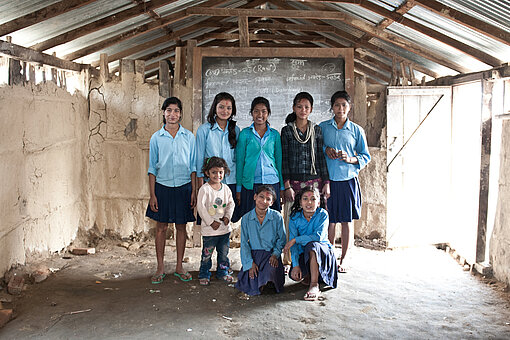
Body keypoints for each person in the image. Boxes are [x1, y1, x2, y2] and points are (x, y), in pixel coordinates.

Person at [319, 91, 371, 273]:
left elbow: (366, 156)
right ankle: (330, 254)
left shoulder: (356, 130)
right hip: (328, 181)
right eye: (337, 105)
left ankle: (345, 257)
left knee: (346, 221)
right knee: (330, 220)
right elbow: (318, 147)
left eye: (344, 105)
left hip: (348, 180)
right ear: (332, 107)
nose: (340, 109)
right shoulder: (323, 127)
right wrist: (326, 150)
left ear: (349, 107)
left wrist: (351, 159)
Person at [146, 97, 196, 284]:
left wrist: (193, 191)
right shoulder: (156, 138)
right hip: (163, 187)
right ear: (164, 113)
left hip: (184, 187)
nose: (172, 114)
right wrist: (153, 194)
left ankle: (179, 267)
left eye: (176, 111)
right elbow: (152, 169)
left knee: (181, 227)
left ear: (181, 113)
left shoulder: (189, 137)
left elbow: (193, 167)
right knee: (161, 227)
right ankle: (160, 267)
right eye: (169, 110)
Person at [281, 92, 330, 274]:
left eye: (306, 107)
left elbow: (320, 157)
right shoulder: (286, 130)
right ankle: (290, 260)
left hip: (314, 183)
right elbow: (284, 160)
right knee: (291, 220)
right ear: (294, 108)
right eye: (299, 107)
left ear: (311, 110)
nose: (303, 110)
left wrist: (326, 182)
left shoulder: (316, 130)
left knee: (314, 219)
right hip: (293, 183)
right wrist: (286, 185)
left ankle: (315, 259)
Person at [283, 186, 337, 301]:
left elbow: (317, 237)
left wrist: (295, 239)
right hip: (305, 254)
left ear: (318, 202)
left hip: (322, 254)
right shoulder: (294, 217)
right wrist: (296, 265)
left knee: (313, 246)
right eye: (305, 199)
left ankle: (314, 285)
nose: (309, 202)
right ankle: (308, 274)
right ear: (300, 202)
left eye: (313, 199)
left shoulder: (322, 214)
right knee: (296, 276)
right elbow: (294, 245)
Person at [195, 92, 241, 223]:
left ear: (232, 110)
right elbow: (199, 159)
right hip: (210, 182)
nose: (224, 111)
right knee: (210, 219)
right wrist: (200, 185)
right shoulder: (204, 130)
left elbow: (237, 159)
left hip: (230, 182)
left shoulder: (235, 130)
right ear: (215, 107)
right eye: (221, 107)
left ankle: (225, 243)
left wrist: (238, 187)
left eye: (228, 108)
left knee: (226, 219)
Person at [236, 97, 284, 216]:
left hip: (272, 182)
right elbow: (240, 162)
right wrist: (238, 188)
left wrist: (282, 186)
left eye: (263, 111)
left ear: (268, 113)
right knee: (251, 218)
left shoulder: (274, 135)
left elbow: (279, 161)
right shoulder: (245, 134)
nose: (260, 114)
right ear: (251, 113)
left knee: (272, 219)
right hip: (251, 184)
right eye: (256, 111)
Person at [236, 185, 286, 296]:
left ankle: (269, 282)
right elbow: (244, 243)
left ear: (272, 202)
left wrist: (275, 254)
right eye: (261, 197)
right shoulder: (246, 218)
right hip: (254, 256)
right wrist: (249, 263)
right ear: (255, 197)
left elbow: (282, 239)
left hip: (270, 255)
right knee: (251, 278)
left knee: (270, 274)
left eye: (268, 199)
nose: (264, 201)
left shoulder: (277, 217)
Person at [196, 157, 235, 285]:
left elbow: (231, 204)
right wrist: (210, 222)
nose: (217, 175)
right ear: (207, 173)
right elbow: (201, 208)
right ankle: (204, 274)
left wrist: (227, 217)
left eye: (220, 172)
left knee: (223, 254)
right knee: (207, 255)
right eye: (214, 172)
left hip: (224, 230)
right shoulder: (204, 189)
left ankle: (222, 272)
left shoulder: (226, 189)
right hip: (209, 231)